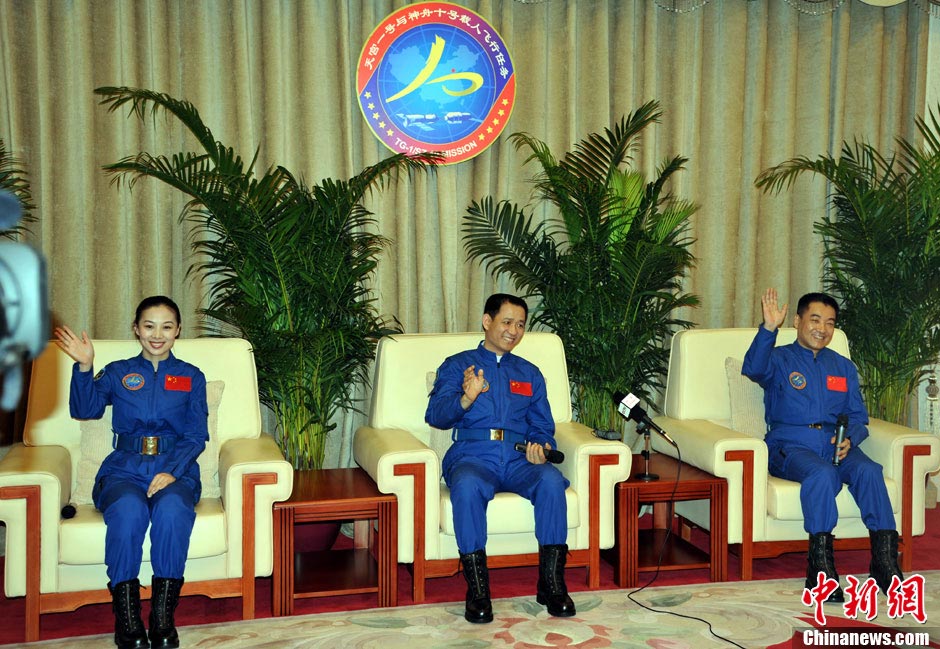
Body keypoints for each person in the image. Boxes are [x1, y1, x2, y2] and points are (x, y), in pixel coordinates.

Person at [54, 296, 208, 649]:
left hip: (177, 469)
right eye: (149, 326)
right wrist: (84, 366)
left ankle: (162, 619)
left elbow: (196, 434)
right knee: (128, 510)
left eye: (167, 327)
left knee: (171, 511)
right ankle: (127, 620)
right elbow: (86, 410)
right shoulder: (119, 371)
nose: (158, 335)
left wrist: (171, 472)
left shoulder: (191, 376)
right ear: (136, 329)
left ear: (178, 331)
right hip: (124, 468)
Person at [742, 288, 903, 603]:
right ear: (799, 320)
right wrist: (768, 329)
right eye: (815, 320)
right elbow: (753, 369)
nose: (822, 329)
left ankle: (885, 563)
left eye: (830, 323)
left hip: (836, 443)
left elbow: (859, 417)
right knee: (822, 475)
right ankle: (820, 571)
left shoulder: (843, 367)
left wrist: (850, 439)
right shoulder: (778, 357)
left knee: (870, 470)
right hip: (790, 444)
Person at [425, 293, 574, 624]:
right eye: (507, 322)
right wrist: (467, 397)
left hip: (520, 458)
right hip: (472, 455)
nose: (514, 330)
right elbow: (435, 414)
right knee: (466, 487)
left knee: (551, 481)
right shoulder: (458, 364)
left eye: (521, 324)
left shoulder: (530, 373)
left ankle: (551, 584)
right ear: (487, 321)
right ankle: (478, 591)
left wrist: (541, 446)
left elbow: (542, 425)